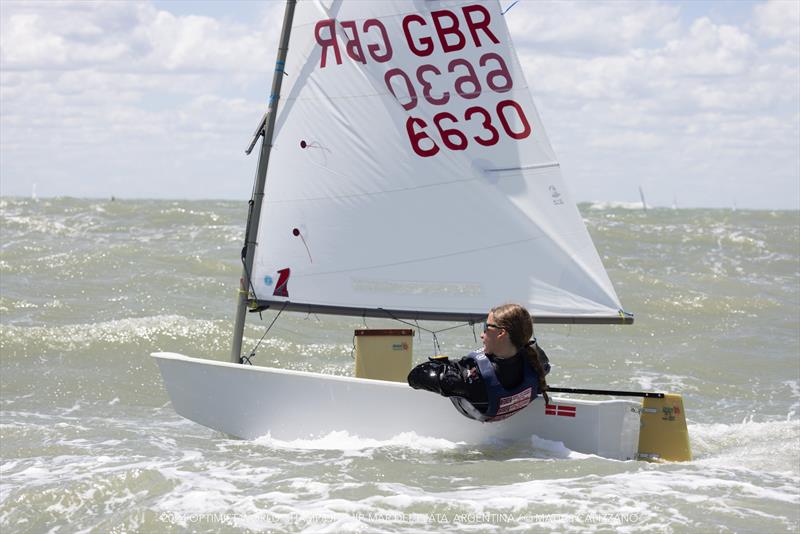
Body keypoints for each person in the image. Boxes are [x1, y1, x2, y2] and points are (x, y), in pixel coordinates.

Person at [407, 303, 550, 422]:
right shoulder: (538, 361)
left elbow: (414, 377)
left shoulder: (471, 379)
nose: (482, 334)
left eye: (486, 327)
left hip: (473, 407)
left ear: (501, 333)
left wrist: (442, 367)